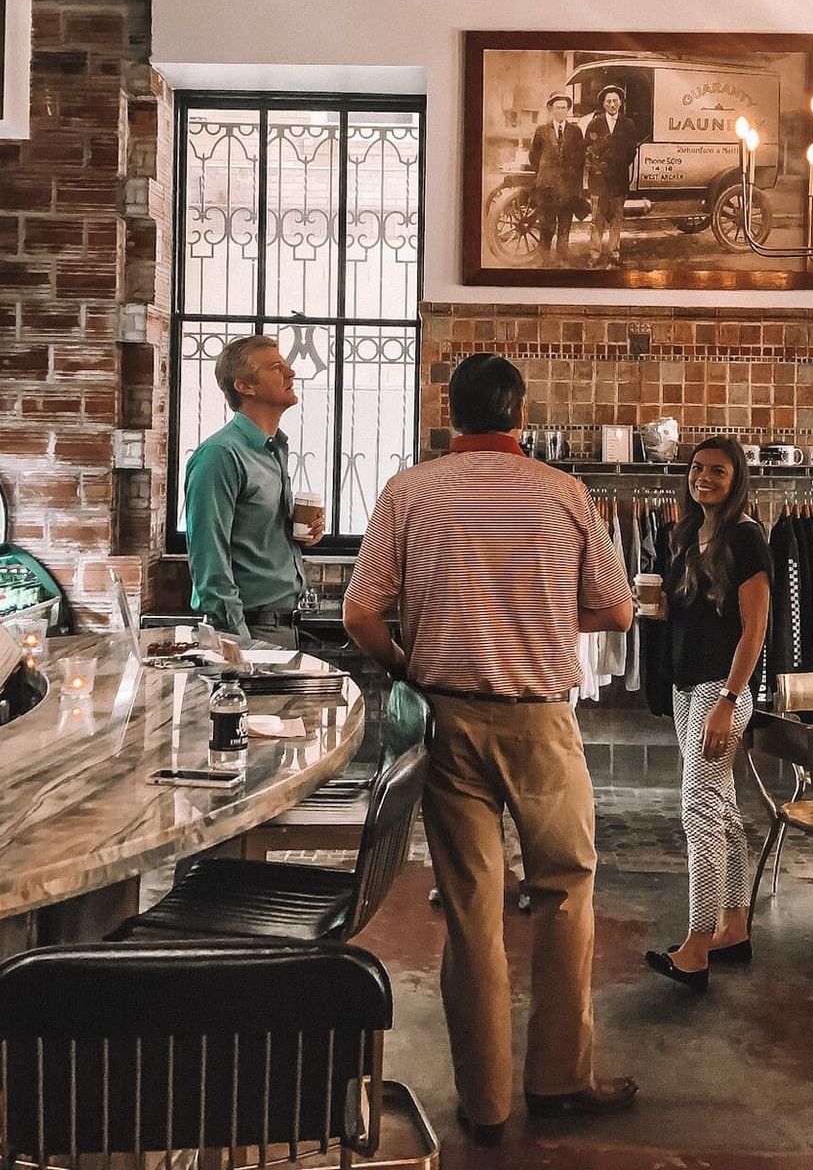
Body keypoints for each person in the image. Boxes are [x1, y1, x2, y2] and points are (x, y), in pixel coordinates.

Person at [344, 353, 638, 1145]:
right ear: (520, 411)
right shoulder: (564, 493)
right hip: (540, 721)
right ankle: (560, 1077)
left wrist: (412, 660)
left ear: (451, 409)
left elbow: (361, 612)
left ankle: (484, 1103)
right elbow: (616, 612)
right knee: (565, 890)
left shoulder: (410, 491)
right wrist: (539, 614)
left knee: (471, 911)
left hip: (447, 722)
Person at [644, 435, 770, 992]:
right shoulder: (684, 534)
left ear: (735, 479)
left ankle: (696, 944)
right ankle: (734, 928)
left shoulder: (746, 537)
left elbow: (755, 627)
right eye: (698, 469)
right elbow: (689, 611)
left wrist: (728, 702)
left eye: (718, 472)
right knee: (721, 805)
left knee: (698, 806)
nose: (704, 479)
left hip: (722, 688)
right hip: (685, 683)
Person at [183, 333, 324, 647]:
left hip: (283, 625)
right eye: (275, 368)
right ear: (244, 386)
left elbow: (255, 537)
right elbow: (209, 564)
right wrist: (241, 646)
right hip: (250, 630)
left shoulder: (273, 449)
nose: (291, 373)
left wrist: (303, 534)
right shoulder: (220, 455)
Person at [583, 83, 641, 266]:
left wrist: (618, 163)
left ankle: (614, 252)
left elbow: (632, 150)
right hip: (599, 181)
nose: (612, 104)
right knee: (597, 219)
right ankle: (594, 254)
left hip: (618, 180)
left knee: (616, 218)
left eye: (615, 100)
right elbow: (588, 149)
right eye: (608, 101)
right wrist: (597, 167)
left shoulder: (628, 124)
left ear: (621, 103)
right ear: (604, 104)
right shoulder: (595, 123)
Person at [527, 92, 586, 263]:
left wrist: (576, 187)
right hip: (547, 188)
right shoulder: (541, 131)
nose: (561, 111)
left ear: (568, 109)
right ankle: (545, 260)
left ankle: (562, 258)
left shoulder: (575, 131)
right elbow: (534, 157)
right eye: (557, 107)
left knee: (565, 225)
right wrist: (547, 174)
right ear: (550, 109)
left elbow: (580, 159)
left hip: (568, 188)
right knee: (547, 225)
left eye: (564, 107)